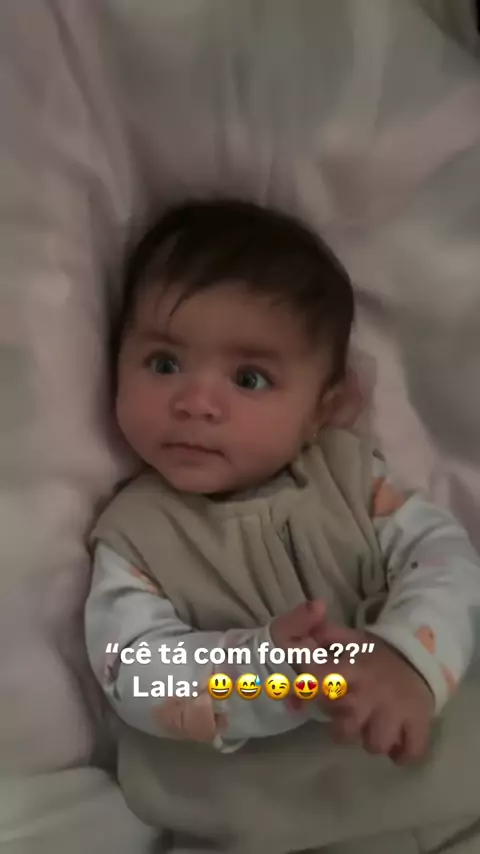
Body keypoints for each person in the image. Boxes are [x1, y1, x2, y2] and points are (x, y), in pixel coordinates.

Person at [85, 199, 480, 853]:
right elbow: (135, 671)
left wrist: (409, 659)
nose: (195, 402)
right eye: (163, 364)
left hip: (445, 790)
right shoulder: (134, 538)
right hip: (254, 823)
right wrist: (263, 670)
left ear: (325, 408)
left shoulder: (354, 482)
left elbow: (448, 562)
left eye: (249, 378)